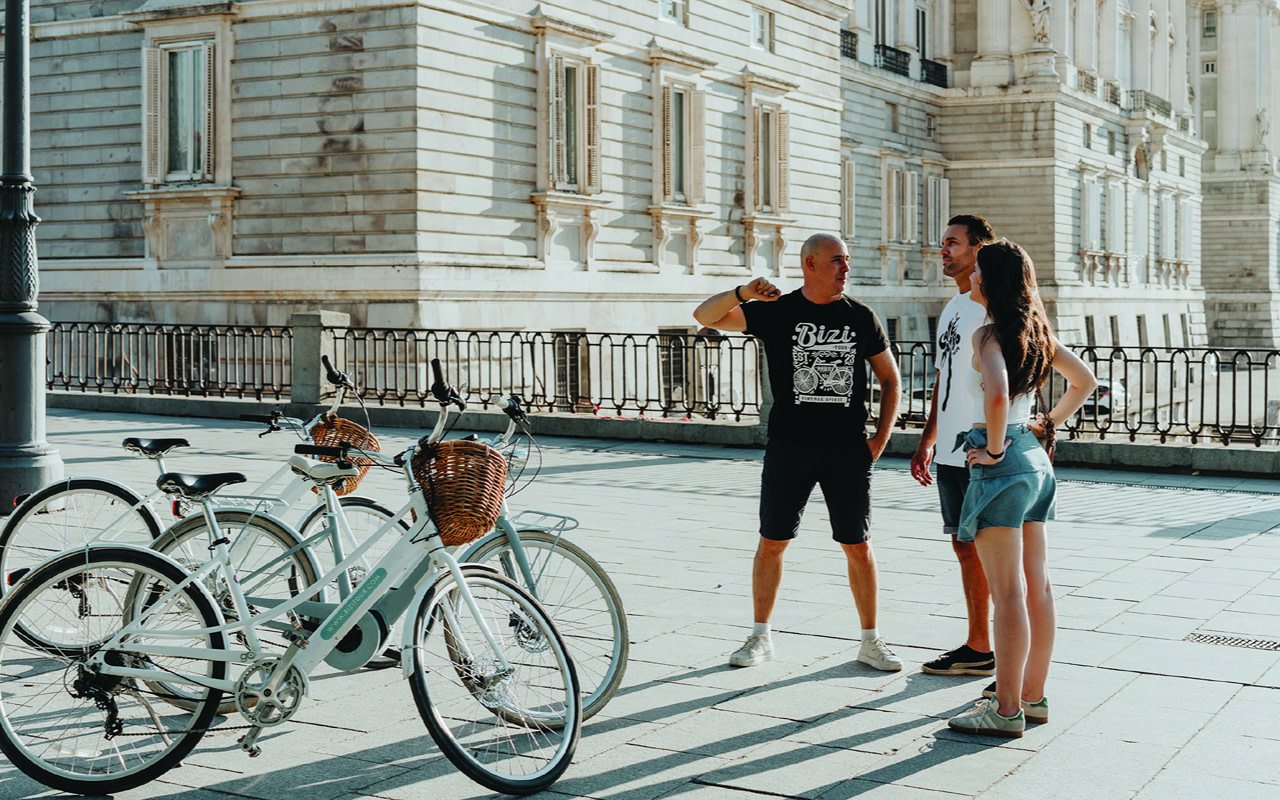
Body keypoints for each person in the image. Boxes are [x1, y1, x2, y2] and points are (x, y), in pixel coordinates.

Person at [693, 233, 904, 673]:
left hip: (847, 450)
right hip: (789, 447)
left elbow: (890, 380)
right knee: (772, 542)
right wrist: (744, 293)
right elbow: (704, 315)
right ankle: (759, 637)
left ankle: (871, 640)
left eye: (846, 260)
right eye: (835, 261)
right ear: (809, 264)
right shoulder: (778, 311)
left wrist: (879, 440)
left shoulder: (861, 316)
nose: (844, 268)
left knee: (858, 545)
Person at [946, 241, 1096, 738]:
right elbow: (1085, 381)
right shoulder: (1036, 332)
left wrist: (991, 448)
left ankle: (1004, 709)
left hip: (1002, 464)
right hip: (1034, 462)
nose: (968, 273)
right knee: (1040, 586)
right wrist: (1043, 425)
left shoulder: (988, 333)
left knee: (1007, 592)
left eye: (976, 269)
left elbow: (994, 391)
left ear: (987, 279)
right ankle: (1033, 698)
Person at [911, 215, 998, 678]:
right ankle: (978, 646)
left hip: (982, 448)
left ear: (980, 247)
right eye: (942, 243)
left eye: (953, 243)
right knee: (964, 547)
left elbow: (1026, 372)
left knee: (993, 550)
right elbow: (944, 376)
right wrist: (928, 438)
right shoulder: (954, 306)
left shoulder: (994, 306)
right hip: (949, 449)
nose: (943, 250)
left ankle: (1004, 649)